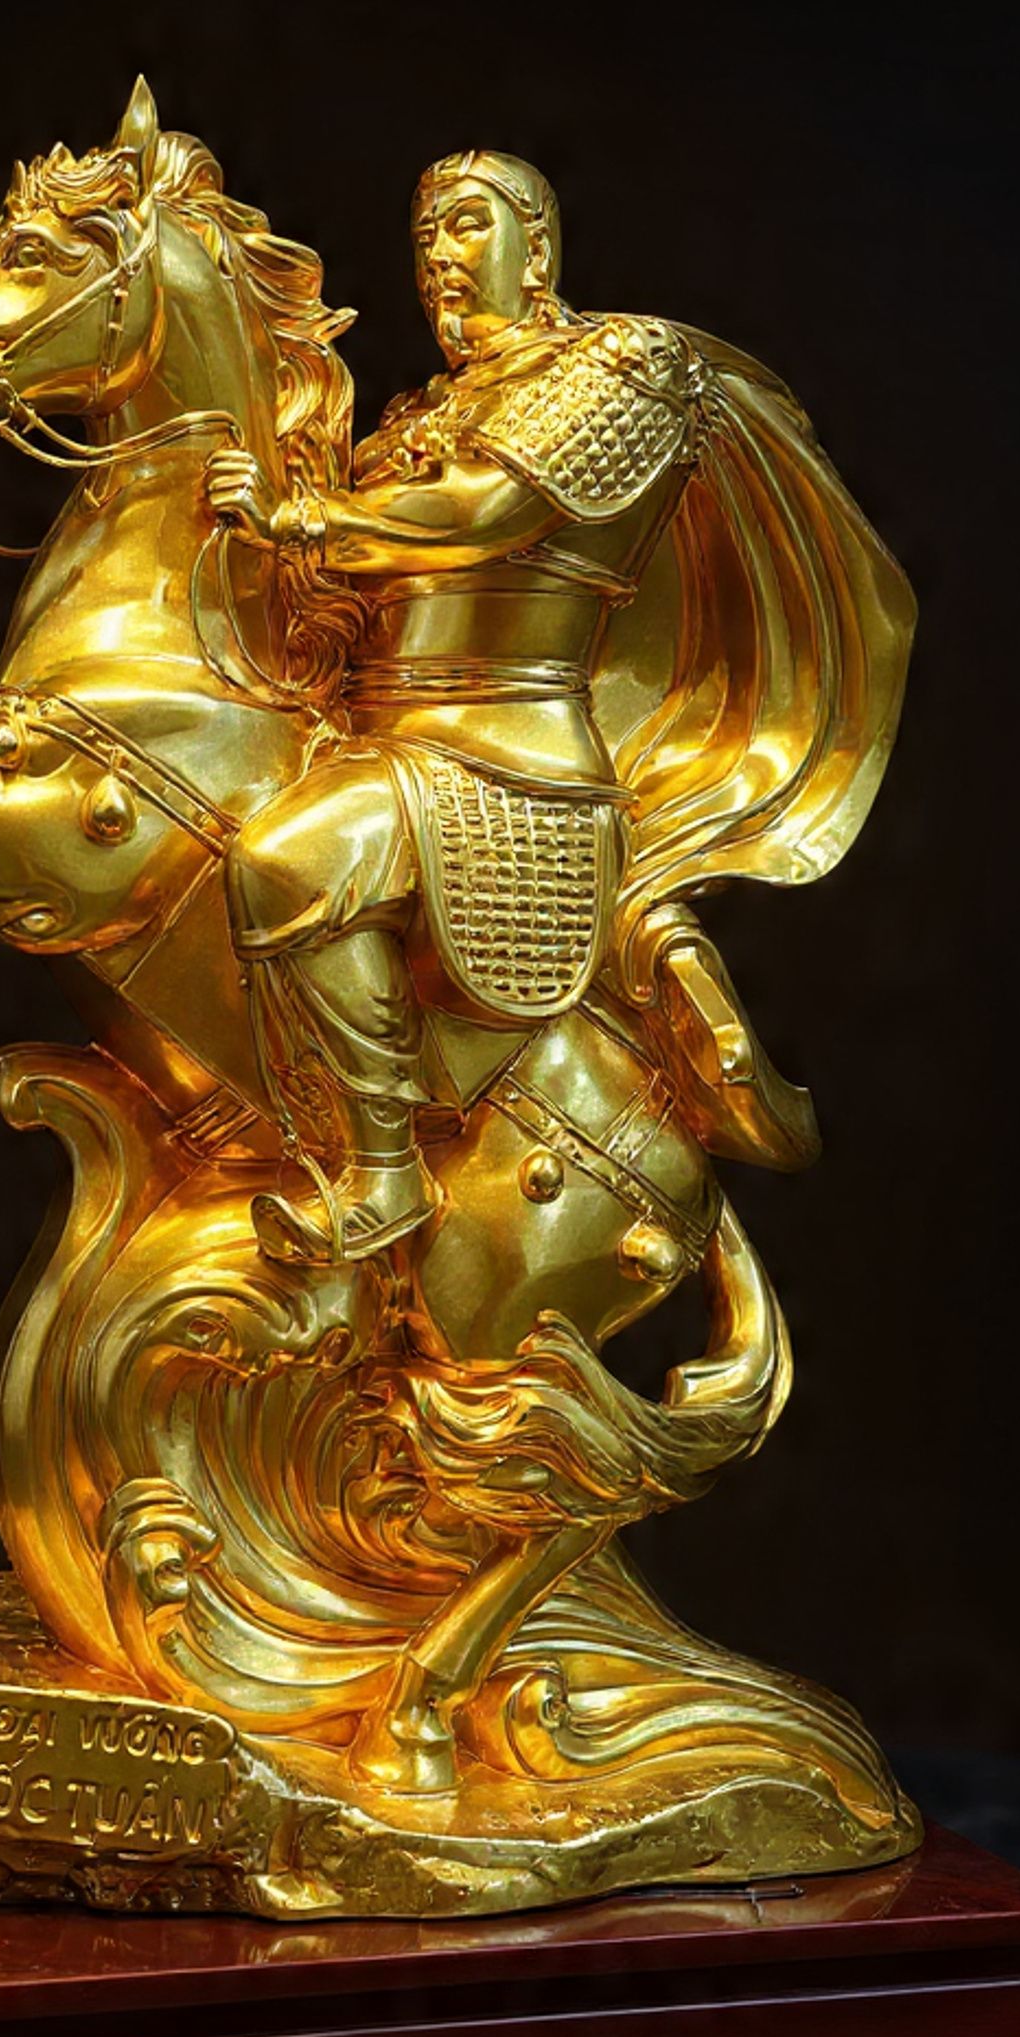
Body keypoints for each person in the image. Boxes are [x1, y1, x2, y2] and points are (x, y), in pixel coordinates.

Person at [207, 149, 710, 1262]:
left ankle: (385, 1172)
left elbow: (484, 515)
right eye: (427, 231)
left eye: (470, 223)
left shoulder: (617, 372)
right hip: (376, 732)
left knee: (283, 861)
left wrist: (305, 518)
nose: (440, 251)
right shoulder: (412, 419)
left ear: (539, 248)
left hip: (501, 755)